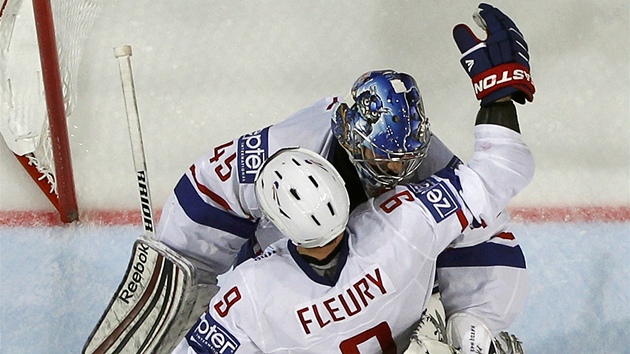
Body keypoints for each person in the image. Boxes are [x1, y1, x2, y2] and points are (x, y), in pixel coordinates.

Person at [83, 3, 534, 354]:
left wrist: (177, 280)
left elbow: (204, 196)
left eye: (406, 158)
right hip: (398, 301)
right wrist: (474, 324)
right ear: (352, 141)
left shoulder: (253, 295)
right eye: (385, 160)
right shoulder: (408, 227)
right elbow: (493, 186)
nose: (399, 172)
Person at [171, 108, 534, 352]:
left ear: (275, 224)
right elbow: (503, 167)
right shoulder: (403, 224)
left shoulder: (250, 292)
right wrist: (498, 92)